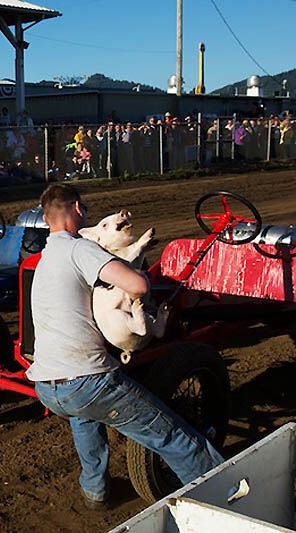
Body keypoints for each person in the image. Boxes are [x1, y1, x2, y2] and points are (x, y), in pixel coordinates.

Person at [28, 184, 224, 510]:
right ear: (78, 209)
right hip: (87, 382)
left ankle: (96, 491)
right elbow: (139, 284)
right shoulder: (79, 249)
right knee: (174, 436)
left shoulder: (46, 257)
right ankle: (224, 499)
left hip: (47, 387)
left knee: (84, 417)